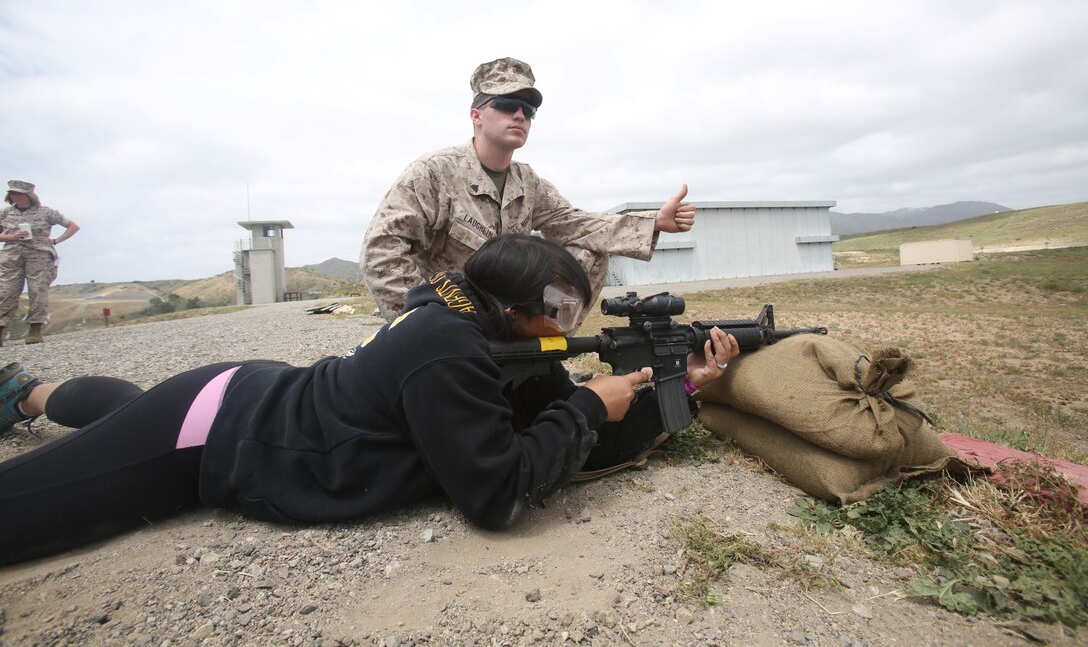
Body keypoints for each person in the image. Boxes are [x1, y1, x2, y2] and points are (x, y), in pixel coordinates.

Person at [0, 233, 739, 565]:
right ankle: (24, 392)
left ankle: (26, 391)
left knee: (131, 408)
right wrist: (585, 405)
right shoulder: (446, 346)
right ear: (515, 309)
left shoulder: (492, 334)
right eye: (564, 315)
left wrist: (690, 383)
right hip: (218, 428)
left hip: (241, 392)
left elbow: (568, 446)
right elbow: (497, 493)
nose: (571, 332)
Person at [362, 56, 698, 322]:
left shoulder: (528, 183)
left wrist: (654, 221)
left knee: (590, 250)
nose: (520, 115)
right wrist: (422, 323)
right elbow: (382, 249)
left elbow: (577, 224)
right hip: (451, 315)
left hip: (507, 310)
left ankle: (544, 347)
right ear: (476, 114)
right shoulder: (434, 173)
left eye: (529, 110)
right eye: (507, 105)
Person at [0, 180, 80, 345]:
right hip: (11, 257)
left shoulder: (46, 212)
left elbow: (73, 226)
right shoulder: (5, 213)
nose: (14, 196)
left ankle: (35, 330)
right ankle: (1, 329)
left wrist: (55, 241)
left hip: (39, 255)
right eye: (12, 193)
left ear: (28, 195)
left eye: (18, 193)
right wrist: (11, 237)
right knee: (6, 292)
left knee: (38, 291)